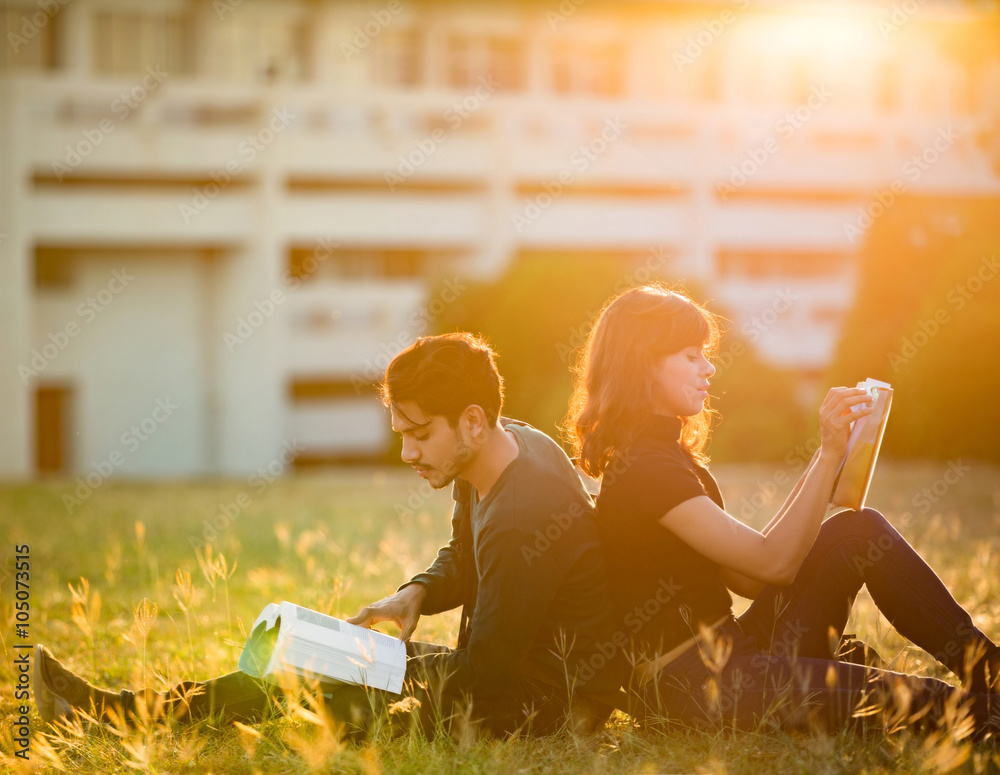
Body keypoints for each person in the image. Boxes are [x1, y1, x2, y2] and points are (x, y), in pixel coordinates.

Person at [36, 333, 621, 739]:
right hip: (507, 673)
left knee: (318, 673)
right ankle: (122, 711)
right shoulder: (501, 445)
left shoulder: (523, 516)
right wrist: (416, 591)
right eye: (401, 432)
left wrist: (356, 661)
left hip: (545, 702)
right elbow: (467, 555)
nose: (407, 452)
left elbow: (487, 672)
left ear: (471, 419)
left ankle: (112, 713)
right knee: (313, 666)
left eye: (419, 433)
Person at [566, 284, 1000, 737]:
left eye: (704, 355)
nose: (708, 368)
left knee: (858, 532)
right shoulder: (645, 469)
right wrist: (829, 454)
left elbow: (752, 579)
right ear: (644, 363)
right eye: (690, 356)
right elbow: (774, 563)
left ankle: (988, 668)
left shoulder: (665, 455)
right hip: (697, 688)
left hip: (734, 649)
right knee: (925, 700)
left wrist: (831, 454)